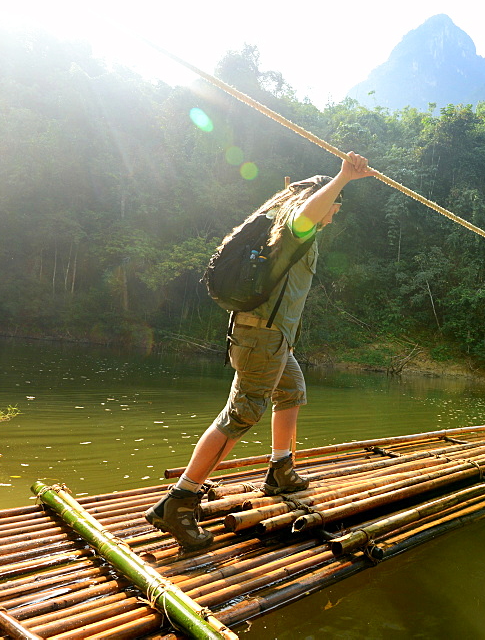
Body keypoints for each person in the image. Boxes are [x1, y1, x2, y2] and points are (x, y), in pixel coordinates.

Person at [145, 152, 374, 550]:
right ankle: (180, 502)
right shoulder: (296, 228)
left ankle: (280, 468)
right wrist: (341, 179)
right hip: (262, 338)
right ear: (321, 203)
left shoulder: (298, 233)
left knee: (292, 390)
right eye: (334, 209)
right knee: (242, 414)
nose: (333, 216)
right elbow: (308, 212)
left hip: (274, 338)